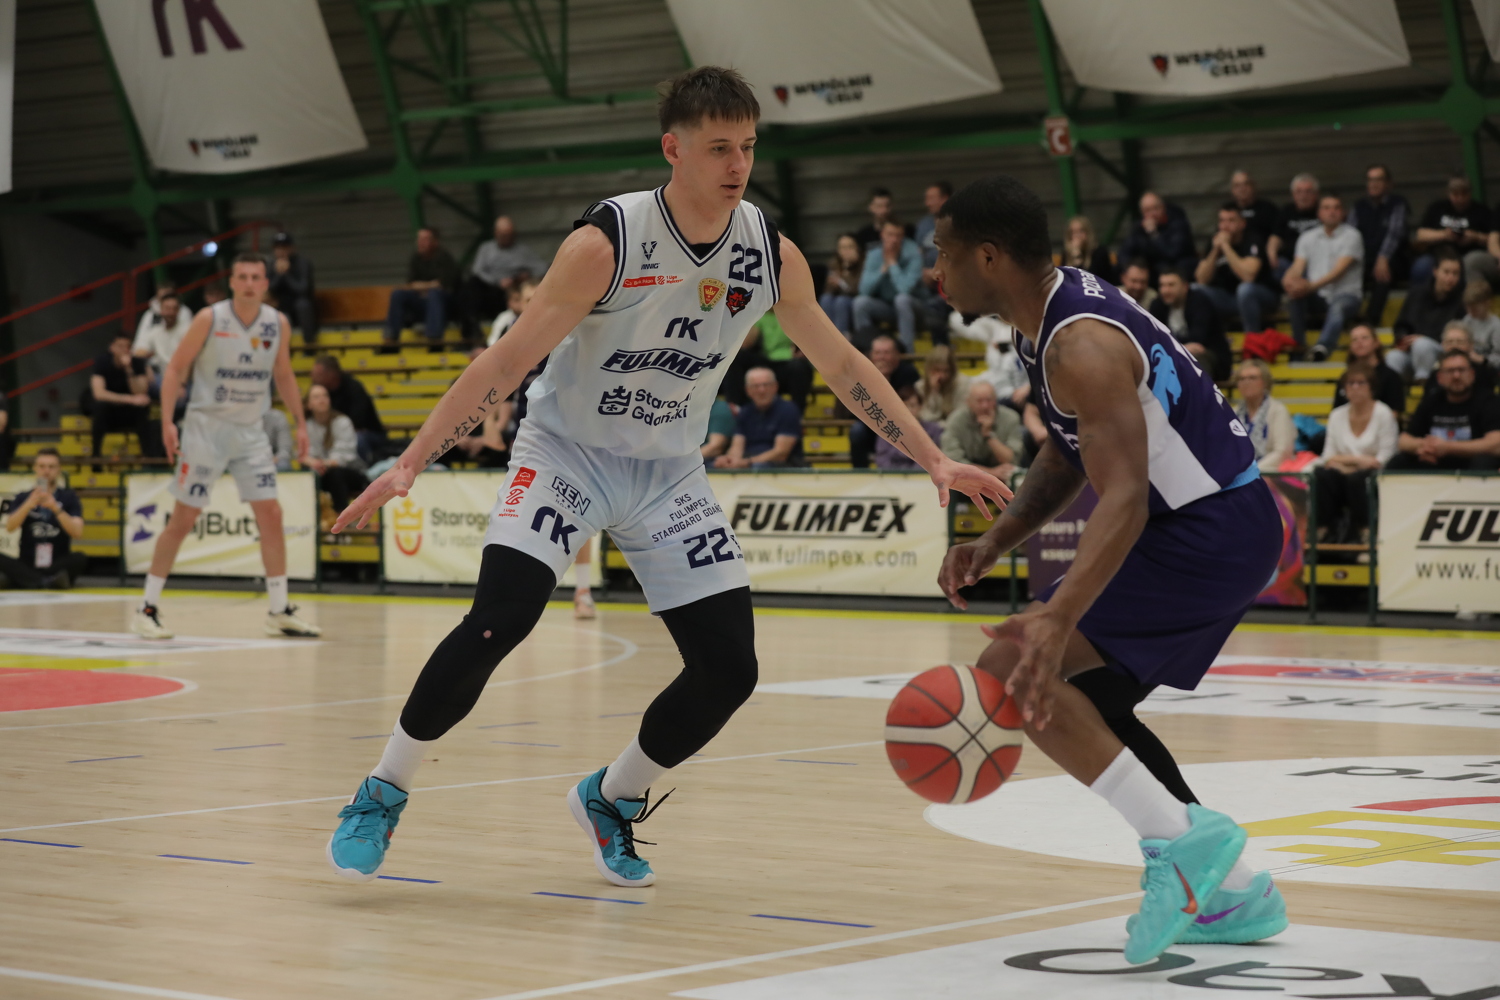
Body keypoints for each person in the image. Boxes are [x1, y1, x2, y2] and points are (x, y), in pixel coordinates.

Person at [323, 67, 1007, 889]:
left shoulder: (768, 252)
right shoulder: (605, 244)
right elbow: (505, 363)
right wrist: (410, 462)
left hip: (669, 473)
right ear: (673, 150)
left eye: (747, 146)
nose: (737, 164)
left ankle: (611, 796)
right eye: (719, 148)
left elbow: (841, 363)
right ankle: (384, 787)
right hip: (567, 454)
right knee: (501, 619)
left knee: (730, 670)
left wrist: (932, 455)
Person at [933, 174, 1283, 965]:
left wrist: (1056, 618)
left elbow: (1121, 495)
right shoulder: (1044, 320)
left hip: (1205, 527)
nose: (937, 271)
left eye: (945, 254)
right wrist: (999, 539)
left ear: (988, 257)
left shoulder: (1080, 345)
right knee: (1075, 699)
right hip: (1204, 523)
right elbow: (1071, 450)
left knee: (1017, 666)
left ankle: (1184, 855)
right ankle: (1232, 890)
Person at [130, 253, 320, 641]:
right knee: (184, 518)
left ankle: (279, 610)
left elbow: (283, 374)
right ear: (232, 282)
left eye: (256, 277)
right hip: (205, 429)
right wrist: (167, 421)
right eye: (242, 276)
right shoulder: (209, 318)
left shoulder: (277, 323)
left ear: (265, 283)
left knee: (271, 514)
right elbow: (175, 368)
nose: (249, 283)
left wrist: (301, 423)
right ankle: (146, 608)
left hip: (250, 432)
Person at [1313, 362, 1398, 544]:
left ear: (1372, 387)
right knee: (1321, 475)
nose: (1355, 388)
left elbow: (1385, 458)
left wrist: (1346, 462)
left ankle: (1367, 533)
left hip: (1375, 476)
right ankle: (1322, 532)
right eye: (1350, 383)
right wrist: (1359, 461)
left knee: (1357, 480)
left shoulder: (1383, 414)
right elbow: (1328, 456)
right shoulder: (1337, 415)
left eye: (1361, 383)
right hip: (1344, 473)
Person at [1282, 192, 1363, 361]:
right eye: (1326, 208)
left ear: (1343, 213)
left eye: (1336, 208)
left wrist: (1309, 287)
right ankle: (1298, 346)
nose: (1331, 212)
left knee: (1338, 306)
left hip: (1347, 295)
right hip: (1318, 296)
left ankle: (1322, 348)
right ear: (1319, 213)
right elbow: (1297, 267)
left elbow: (1338, 272)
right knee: (1294, 296)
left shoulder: (1353, 236)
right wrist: (1289, 282)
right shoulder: (1307, 237)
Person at [1388, 349, 1500, 470]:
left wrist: (1448, 447)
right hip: (1435, 461)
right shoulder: (1431, 401)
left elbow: (1496, 444)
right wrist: (1424, 446)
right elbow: (1404, 441)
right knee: (1399, 461)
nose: (1456, 376)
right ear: (1439, 377)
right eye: (1450, 371)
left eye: (1461, 370)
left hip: (1471, 464)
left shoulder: (1488, 401)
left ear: (1472, 374)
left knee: (1485, 461)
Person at [0, 448, 86, 589]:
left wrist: (55, 508)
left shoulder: (69, 497)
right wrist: (28, 504)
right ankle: (47, 582)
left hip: (56, 562)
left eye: (51, 467)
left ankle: (27, 581)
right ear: (35, 469)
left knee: (79, 558)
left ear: (59, 470)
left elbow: (77, 532)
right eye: (42, 466)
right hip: (28, 562)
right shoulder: (23, 496)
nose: (46, 471)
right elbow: (10, 527)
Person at [459, 216, 551, 341]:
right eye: (503, 235)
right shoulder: (486, 249)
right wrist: (497, 281)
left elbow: (542, 268)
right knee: (471, 286)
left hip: (515, 286)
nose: (506, 238)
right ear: (496, 233)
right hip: (491, 287)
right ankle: (472, 327)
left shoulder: (523, 251)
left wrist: (523, 276)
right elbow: (477, 270)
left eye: (509, 235)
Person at [1193, 203, 1279, 334]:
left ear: (1242, 223)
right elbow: (1201, 279)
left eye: (1231, 220)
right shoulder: (1215, 242)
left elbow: (1248, 276)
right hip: (1228, 298)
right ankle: (1204, 338)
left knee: (1245, 289)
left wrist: (1226, 247)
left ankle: (1252, 337)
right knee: (1195, 290)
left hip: (1260, 296)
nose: (1225, 226)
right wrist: (1215, 250)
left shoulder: (1253, 239)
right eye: (1222, 221)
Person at [1388, 248, 1466, 381]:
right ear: (1435, 271)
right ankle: (1394, 390)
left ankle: (1422, 382)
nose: (1450, 278)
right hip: (1412, 350)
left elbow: (1458, 336)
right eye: (1446, 272)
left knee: (1422, 345)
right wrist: (1402, 339)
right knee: (1393, 357)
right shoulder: (1416, 294)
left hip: (1442, 352)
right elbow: (1401, 324)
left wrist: (1422, 338)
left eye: (1455, 273)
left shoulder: (1462, 301)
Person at [1349, 164, 1409, 326]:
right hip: (1364, 258)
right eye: (1370, 180)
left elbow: (1395, 233)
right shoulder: (1359, 206)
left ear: (1388, 183)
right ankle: (1348, 318)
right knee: (1347, 271)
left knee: (1382, 274)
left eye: (1378, 180)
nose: (1373, 184)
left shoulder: (1397, 203)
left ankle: (1370, 321)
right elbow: (1350, 236)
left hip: (1392, 258)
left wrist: (1383, 257)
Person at [848, 334, 920, 468]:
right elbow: (851, 410)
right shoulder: (860, 373)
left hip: (901, 426)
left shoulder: (908, 373)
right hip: (871, 426)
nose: (881, 357)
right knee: (857, 431)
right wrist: (876, 380)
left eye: (886, 353)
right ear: (871, 356)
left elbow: (909, 404)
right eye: (877, 353)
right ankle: (860, 472)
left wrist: (884, 382)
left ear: (896, 355)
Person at [383, 227, 459, 351]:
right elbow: (410, 284)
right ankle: (391, 339)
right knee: (398, 294)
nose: (420, 242)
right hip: (421, 303)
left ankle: (435, 340)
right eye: (419, 239)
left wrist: (423, 287)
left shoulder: (445, 258)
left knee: (435, 294)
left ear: (435, 242)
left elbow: (443, 285)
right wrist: (430, 285)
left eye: (425, 239)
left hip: (444, 306)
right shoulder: (416, 258)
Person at [1414, 175, 1495, 289]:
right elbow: (1420, 234)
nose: (1460, 199)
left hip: (1468, 254)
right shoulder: (1437, 208)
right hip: (1439, 255)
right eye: (1456, 194)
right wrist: (1444, 235)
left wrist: (1475, 236)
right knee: (1422, 266)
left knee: (1470, 264)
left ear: (1470, 193)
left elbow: (1493, 238)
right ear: (1448, 193)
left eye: (1464, 194)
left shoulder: (1481, 211)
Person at [854, 218, 924, 351]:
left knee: (902, 300)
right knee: (860, 303)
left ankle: (907, 353)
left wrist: (892, 264)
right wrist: (881, 272)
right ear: (882, 235)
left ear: (903, 237)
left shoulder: (913, 254)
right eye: (890, 235)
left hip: (916, 307)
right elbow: (863, 290)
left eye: (898, 235)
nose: (894, 239)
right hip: (887, 307)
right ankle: (866, 351)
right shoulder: (874, 255)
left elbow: (905, 289)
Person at [1149, 268, 1230, 381]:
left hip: (1211, 356)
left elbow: (1197, 338)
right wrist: (1182, 347)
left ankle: (1201, 393)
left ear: (1185, 286)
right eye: (1162, 285)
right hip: (1172, 354)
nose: (1165, 290)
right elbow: (1153, 338)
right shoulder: (1157, 305)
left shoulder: (1200, 302)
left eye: (1171, 285)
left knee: (1194, 359)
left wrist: (1170, 345)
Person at [714, 367, 802, 469]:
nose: (761, 390)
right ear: (747, 390)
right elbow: (737, 446)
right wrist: (729, 460)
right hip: (750, 463)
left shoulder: (788, 410)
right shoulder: (745, 412)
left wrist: (747, 462)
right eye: (756, 386)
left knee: (760, 466)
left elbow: (781, 453)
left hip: (783, 468)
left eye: (766, 385)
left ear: (775, 387)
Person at [88, 331, 155, 463]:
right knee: (99, 408)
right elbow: (99, 393)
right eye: (120, 346)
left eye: (127, 347)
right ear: (112, 348)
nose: (124, 350)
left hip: (130, 412)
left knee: (144, 410)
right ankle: (95, 456)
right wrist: (130, 399)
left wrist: (129, 369)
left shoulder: (137, 362)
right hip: (110, 410)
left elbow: (140, 392)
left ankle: (147, 457)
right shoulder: (102, 361)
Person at [305, 383, 369, 512]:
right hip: (321, 472)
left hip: (351, 472)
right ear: (309, 404)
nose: (322, 399)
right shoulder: (307, 426)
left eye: (325, 396)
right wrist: (312, 463)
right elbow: (304, 455)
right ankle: (310, 518)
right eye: (316, 397)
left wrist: (320, 463)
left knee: (335, 474)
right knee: (305, 476)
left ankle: (342, 517)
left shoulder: (342, 422)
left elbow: (341, 458)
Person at [311, 355, 387, 464]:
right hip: (337, 431)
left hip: (367, 433)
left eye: (319, 374)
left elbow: (358, 421)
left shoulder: (354, 388)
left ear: (331, 374)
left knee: (357, 439)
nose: (314, 378)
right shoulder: (322, 389)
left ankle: (365, 469)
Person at [940, 379, 1022, 478]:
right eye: (979, 401)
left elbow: (1011, 460)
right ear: (968, 402)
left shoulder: (1010, 418)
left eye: (989, 400)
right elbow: (952, 461)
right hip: (966, 477)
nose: (985, 406)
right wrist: (990, 473)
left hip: (1004, 477)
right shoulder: (956, 420)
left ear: (995, 400)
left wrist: (989, 435)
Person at [956, 313, 1030, 410]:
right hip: (1000, 392)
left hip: (1023, 392)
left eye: (1005, 345)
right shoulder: (994, 329)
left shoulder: (1026, 337)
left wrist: (1028, 387)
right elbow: (955, 320)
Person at [1233, 358, 1295, 472]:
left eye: (1252, 378)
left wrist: (1253, 471)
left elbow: (1283, 452)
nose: (1246, 382)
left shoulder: (1278, 411)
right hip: (1237, 472)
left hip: (1269, 472)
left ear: (1265, 382)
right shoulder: (1233, 413)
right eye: (1241, 379)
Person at [1118, 191, 1195, 282]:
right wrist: (1132, 269)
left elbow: (1172, 253)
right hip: (1149, 270)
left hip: (1174, 267)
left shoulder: (1178, 223)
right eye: (1147, 210)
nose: (1152, 214)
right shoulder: (1139, 228)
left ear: (1163, 207)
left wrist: (1154, 234)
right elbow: (1125, 253)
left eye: (1156, 208)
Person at [1331, 324, 1406, 415]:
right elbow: (1337, 412)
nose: (1359, 342)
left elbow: (1393, 414)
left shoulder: (1391, 376)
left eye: (1365, 338)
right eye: (1354, 339)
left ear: (1376, 343)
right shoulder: (1345, 377)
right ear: (1350, 347)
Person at [132, 291, 192, 393]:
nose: (171, 312)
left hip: (185, 382)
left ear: (179, 311)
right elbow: (138, 352)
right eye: (167, 308)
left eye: (174, 308)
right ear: (161, 309)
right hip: (162, 379)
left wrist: (182, 384)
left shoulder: (188, 330)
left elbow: (189, 360)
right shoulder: (156, 332)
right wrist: (146, 367)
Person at [1422, 323, 1496, 400]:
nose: (1454, 346)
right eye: (1449, 342)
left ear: (1471, 345)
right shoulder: (1436, 373)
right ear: (1443, 345)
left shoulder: (1483, 373)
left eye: (1460, 342)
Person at [1267, 173, 1321, 276]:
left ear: (1316, 194)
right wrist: (1271, 253)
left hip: (1316, 262)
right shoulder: (1286, 211)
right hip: (1289, 262)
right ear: (1293, 194)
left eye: (1308, 191)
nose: (1303, 196)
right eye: (1299, 191)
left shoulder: (1323, 210)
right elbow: (1276, 236)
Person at [876, 384, 941, 469]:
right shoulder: (886, 429)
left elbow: (932, 459)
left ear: (920, 407)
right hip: (892, 475)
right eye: (904, 406)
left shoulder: (933, 430)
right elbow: (882, 458)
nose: (908, 410)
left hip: (922, 475)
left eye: (912, 405)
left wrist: (912, 474)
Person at [269, 232, 318, 344]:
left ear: (292, 248)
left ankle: (309, 344)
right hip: (281, 305)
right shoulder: (271, 265)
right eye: (278, 248)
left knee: (303, 305)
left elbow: (303, 289)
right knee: (277, 312)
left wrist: (287, 274)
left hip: (300, 305)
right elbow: (269, 288)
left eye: (284, 247)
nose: (281, 251)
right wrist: (279, 274)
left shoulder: (303, 263)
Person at [916, 343, 971, 425]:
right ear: (929, 369)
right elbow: (925, 417)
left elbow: (960, 417)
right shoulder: (920, 386)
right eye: (937, 370)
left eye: (946, 371)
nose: (942, 375)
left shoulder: (963, 384)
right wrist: (933, 392)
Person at [820, 234, 864, 335]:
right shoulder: (834, 263)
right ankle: (826, 334)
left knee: (841, 301)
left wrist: (847, 270)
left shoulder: (863, 263)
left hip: (854, 299)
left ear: (857, 248)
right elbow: (827, 290)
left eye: (850, 247)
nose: (846, 251)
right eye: (843, 248)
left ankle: (841, 335)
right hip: (838, 298)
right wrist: (833, 284)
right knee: (825, 299)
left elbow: (857, 289)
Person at [1063, 215, 1118, 285]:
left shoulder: (1099, 252)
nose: (1077, 236)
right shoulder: (1067, 253)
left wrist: (1078, 256)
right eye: (1073, 232)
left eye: (1081, 231)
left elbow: (1091, 279)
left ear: (1088, 233)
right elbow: (1065, 278)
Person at [1228, 169, 1277, 244]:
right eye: (1237, 185)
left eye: (1246, 184)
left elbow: (1277, 235)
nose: (1242, 189)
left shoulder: (1267, 208)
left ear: (1253, 186)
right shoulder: (1228, 210)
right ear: (1232, 190)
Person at [1460, 279, 1500, 369]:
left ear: (1487, 303)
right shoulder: (1467, 320)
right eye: (1468, 308)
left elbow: (1498, 357)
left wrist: (1484, 360)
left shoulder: (1496, 326)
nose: (1471, 312)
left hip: (1486, 367)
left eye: (1475, 308)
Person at [487, 280, 535, 348]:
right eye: (528, 300)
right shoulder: (508, 321)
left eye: (536, 299)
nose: (533, 304)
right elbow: (493, 343)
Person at [701, 396, 735, 464]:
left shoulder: (719, 408)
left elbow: (715, 447)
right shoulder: (684, 407)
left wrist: (683, 460)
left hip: (707, 462)